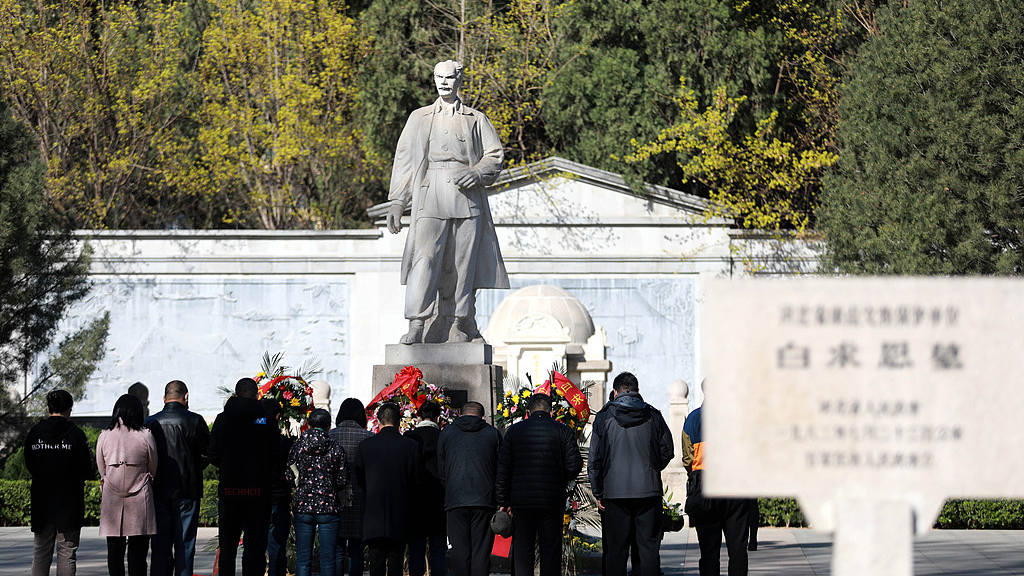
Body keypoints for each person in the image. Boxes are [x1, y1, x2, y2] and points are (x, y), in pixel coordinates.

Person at [386, 59, 508, 344]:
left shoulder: (476, 119)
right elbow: (404, 159)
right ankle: (417, 323)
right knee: (424, 259)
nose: (443, 82)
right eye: (439, 77)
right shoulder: (419, 117)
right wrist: (397, 201)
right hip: (431, 192)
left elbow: (495, 156)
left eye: (449, 77)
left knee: (462, 265)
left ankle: (459, 323)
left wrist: (477, 172)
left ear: (459, 80)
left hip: (467, 198)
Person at [589, 372, 674, 576]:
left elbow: (594, 460)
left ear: (615, 392)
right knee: (648, 550)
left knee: (616, 551)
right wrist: (652, 468)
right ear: (638, 391)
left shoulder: (604, 417)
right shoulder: (653, 415)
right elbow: (667, 451)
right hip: (648, 492)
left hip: (614, 494)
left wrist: (598, 492)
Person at [495, 393, 583, 576]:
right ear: (551, 412)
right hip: (551, 500)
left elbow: (503, 469)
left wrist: (504, 500)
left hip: (521, 501)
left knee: (522, 551)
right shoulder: (563, 431)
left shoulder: (514, 431)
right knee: (550, 550)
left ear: (528, 412)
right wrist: (559, 477)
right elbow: (574, 466)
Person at [208, 378, 279, 576]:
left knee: (228, 546)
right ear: (257, 394)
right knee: (255, 547)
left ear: (236, 394)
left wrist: (229, 466)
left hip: (230, 492)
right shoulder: (266, 420)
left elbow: (212, 454)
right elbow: (276, 454)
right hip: (258, 493)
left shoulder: (223, 419)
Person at [144, 380, 210, 576]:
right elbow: (209, 453)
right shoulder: (195, 420)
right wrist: (193, 466)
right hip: (187, 491)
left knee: (160, 546)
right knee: (185, 545)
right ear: (186, 396)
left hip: (158, 491)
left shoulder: (150, 423)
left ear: (164, 398)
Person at [25, 390, 93, 576]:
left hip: (42, 502)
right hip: (69, 504)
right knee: (67, 553)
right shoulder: (77, 435)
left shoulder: (35, 433)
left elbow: (29, 463)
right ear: (70, 410)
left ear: (48, 409)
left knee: (40, 554)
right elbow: (88, 467)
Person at [682, 405, 754, 576]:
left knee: (708, 552)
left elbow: (687, 458)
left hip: (705, 488)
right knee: (738, 550)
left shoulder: (693, 419)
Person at [353, 402, 422, 576]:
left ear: (379, 420)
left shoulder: (365, 446)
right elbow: (417, 480)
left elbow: (360, 480)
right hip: (400, 512)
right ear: (399, 421)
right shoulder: (411, 446)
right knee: (396, 559)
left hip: (373, 512)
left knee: (375, 558)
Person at [436, 401, 502, 576]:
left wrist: (449, 489)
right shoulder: (492, 434)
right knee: (481, 553)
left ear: (460, 415)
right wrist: (501, 499)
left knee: (459, 553)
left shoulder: (447, 433)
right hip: (484, 500)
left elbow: (441, 470)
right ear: (483, 417)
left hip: (455, 500)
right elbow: (501, 469)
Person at [97, 394, 159, 576]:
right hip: (140, 496)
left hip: (112, 498)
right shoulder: (145, 435)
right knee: (138, 552)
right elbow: (153, 465)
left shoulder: (104, 435)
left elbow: (101, 469)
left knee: (114, 552)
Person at [287, 408, 348, 576]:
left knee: (303, 559)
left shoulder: (297, 446)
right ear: (328, 426)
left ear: (309, 425)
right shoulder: (336, 448)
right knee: (328, 559)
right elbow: (343, 479)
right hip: (329, 507)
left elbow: (289, 477)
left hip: (303, 506)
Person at [328, 398, 373, 576]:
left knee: (338, 550)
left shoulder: (330, 436)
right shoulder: (369, 438)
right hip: (360, 499)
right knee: (356, 551)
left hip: (334, 499)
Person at [404, 401, 446, 576]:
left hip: (415, 500)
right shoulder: (443, 437)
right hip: (439, 499)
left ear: (418, 417)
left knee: (416, 549)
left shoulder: (409, 437)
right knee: (438, 550)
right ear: (438, 418)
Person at [262, 398, 293, 576]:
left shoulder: (252, 441)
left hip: (257, 498)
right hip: (279, 500)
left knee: (255, 545)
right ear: (278, 416)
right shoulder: (285, 443)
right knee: (277, 548)